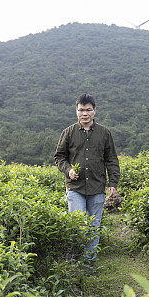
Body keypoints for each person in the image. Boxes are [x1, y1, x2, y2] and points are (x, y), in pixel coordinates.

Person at [54, 94, 121, 266]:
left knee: (94, 226)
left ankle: (89, 263)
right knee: (78, 225)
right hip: (75, 187)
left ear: (94, 111)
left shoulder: (104, 133)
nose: (85, 114)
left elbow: (111, 159)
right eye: (81, 110)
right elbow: (60, 157)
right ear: (76, 111)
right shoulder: (68, 133)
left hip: (97, 187)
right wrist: (68, 171)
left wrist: (113, 183)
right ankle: (74, 261)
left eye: (88, 110)